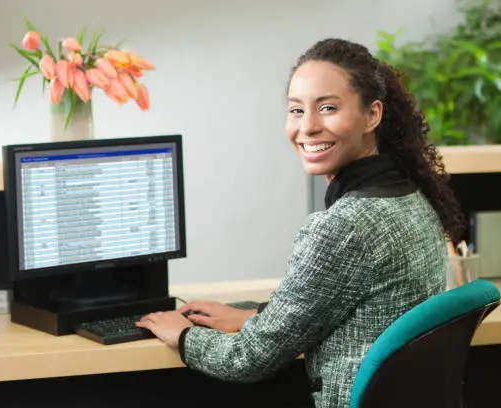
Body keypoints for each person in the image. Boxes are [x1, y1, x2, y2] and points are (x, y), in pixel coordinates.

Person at [136, 38, 465, 407]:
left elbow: (247, 358)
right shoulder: (409, 197)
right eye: (296, 110)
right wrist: (257, 316)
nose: (307, 127)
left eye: (327, 108)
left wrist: (182, 335)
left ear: (372, 115)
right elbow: (352, 310)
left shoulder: (346, 226)